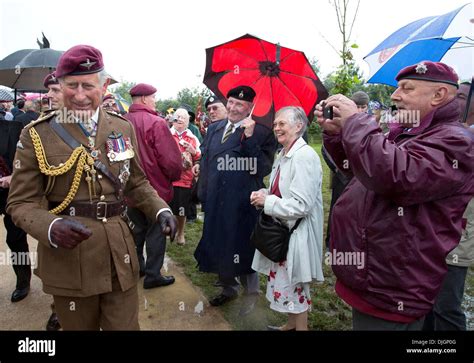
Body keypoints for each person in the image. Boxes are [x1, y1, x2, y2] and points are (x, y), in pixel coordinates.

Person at [7, 45, 177, 330]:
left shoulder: (122, 128)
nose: (81, 94)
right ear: (60, 85)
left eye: (88, 85)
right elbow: (20, 203)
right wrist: (50, 226)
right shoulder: (36, 134)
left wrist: (160, 209)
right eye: (72, 85)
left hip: (118, 254)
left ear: (104, 84)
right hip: (69, 257)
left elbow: (135, 182)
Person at [316, 61, 473, 330]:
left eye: (406, 89)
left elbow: (398, 177)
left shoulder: (455, 141)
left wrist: (356, 121)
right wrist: (337, 135)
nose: (394, 95)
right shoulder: (406, 132)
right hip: (375, 277)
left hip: (394, 286)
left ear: (438, 96)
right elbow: (359, 171)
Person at [194, 85, 276, 316]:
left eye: (239, 104)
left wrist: (249, 139)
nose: (232, 107)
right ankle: (228, 288)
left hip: (242, 203)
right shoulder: (214, 128)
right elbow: (207, 158)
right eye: (230, 102)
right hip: (215, 200)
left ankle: (251, 296)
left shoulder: (262, 133)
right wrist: (203, 193)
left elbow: (261, 168)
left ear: (250, 107)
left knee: (243, 247)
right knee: (220, 243)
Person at [250, 106, 324, 331]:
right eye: (275, 124)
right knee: (288, 283)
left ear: (299, 126)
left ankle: (301, 327)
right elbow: (283, 191)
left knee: (295, 285)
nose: (276, 128)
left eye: (282, 123)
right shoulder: (283, 154)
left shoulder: (304, 156)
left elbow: (301, 205)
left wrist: (267, 203)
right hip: (283, 232)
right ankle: (290, 325)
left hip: (296, 233)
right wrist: (266, 194)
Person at [422, 81, 474, 331]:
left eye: (462, 96)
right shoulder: (448, 132)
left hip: (459, 235)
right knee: (426, 300)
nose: (456, 101)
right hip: (435, 230)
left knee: (446, 304)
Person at [125, 83, 181, 289]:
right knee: (157, 232)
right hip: (155, 189)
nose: (155, 101)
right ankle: (152, 274)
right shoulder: (156, 123)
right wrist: (173, 176)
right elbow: (170, 160)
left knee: (135, 231)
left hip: (130, 190)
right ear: (144, 99)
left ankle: (137, 268)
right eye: (154, 97)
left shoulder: (121, 121)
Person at [0, 118, 31, 303]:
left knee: (15, 238)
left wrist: (14, 176)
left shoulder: (13, 127)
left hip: (11, 192)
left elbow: (26, 160)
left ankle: (22, 282)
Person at [169, 108, 201, 245]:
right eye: (178, 117)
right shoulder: (166, 134)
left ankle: (180, 232)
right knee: (167, 207)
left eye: (184, 117)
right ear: (173, 119)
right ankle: (169, 229)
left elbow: (199, 158)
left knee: (181, 209)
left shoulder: (192, 137)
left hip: (184, 179)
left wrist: (193, 152)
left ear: (188, 122)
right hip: (167, 178)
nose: (180, 119)